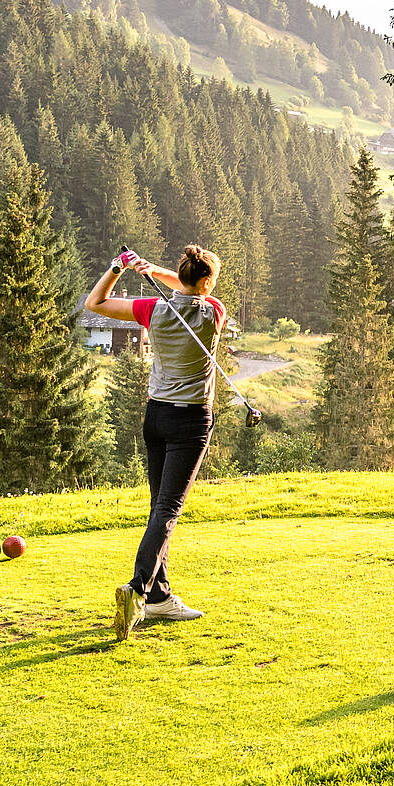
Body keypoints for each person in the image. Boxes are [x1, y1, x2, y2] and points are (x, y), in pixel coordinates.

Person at [84, 244, 228, 641]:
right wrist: (158, 270)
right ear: (206, 281)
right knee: (168, 508)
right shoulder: (213, 312)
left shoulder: (152, 309)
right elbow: (188, 287)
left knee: (157, 508)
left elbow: (97, 302)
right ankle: (138, 589)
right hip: (190, 421)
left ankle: (161, 597)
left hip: (156, 417)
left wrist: (119, 268)